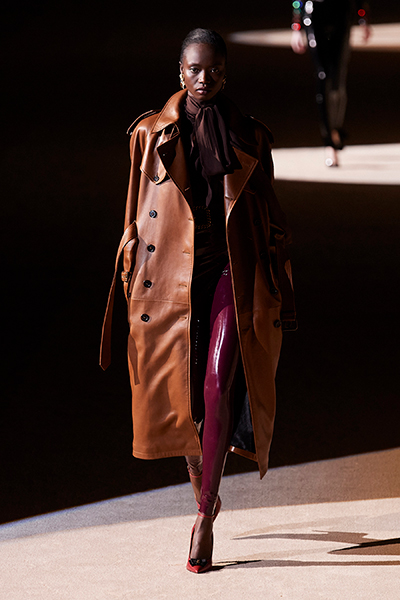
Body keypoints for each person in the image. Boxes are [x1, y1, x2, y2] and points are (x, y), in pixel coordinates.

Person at [100, 28, 296, 573]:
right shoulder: (148, 134)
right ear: (180, 73)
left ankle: (205, 515)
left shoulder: (250, 137)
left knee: (216, 384)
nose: (203, 78)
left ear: (225, 74)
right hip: (172, 280)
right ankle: (201, 480)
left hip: (232, 272)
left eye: (213, 69)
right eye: (194, 69)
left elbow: (272, 219)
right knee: (183, 397)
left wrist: (281, 285)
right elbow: (134, 217)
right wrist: (130, 277)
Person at [291, 0, 371, 166]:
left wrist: (363, 16)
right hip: (314, 11)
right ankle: (329, 141)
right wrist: (296, 25)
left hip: (341, 10)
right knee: (323, 75)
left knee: (338, 77)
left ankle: (336, 128)